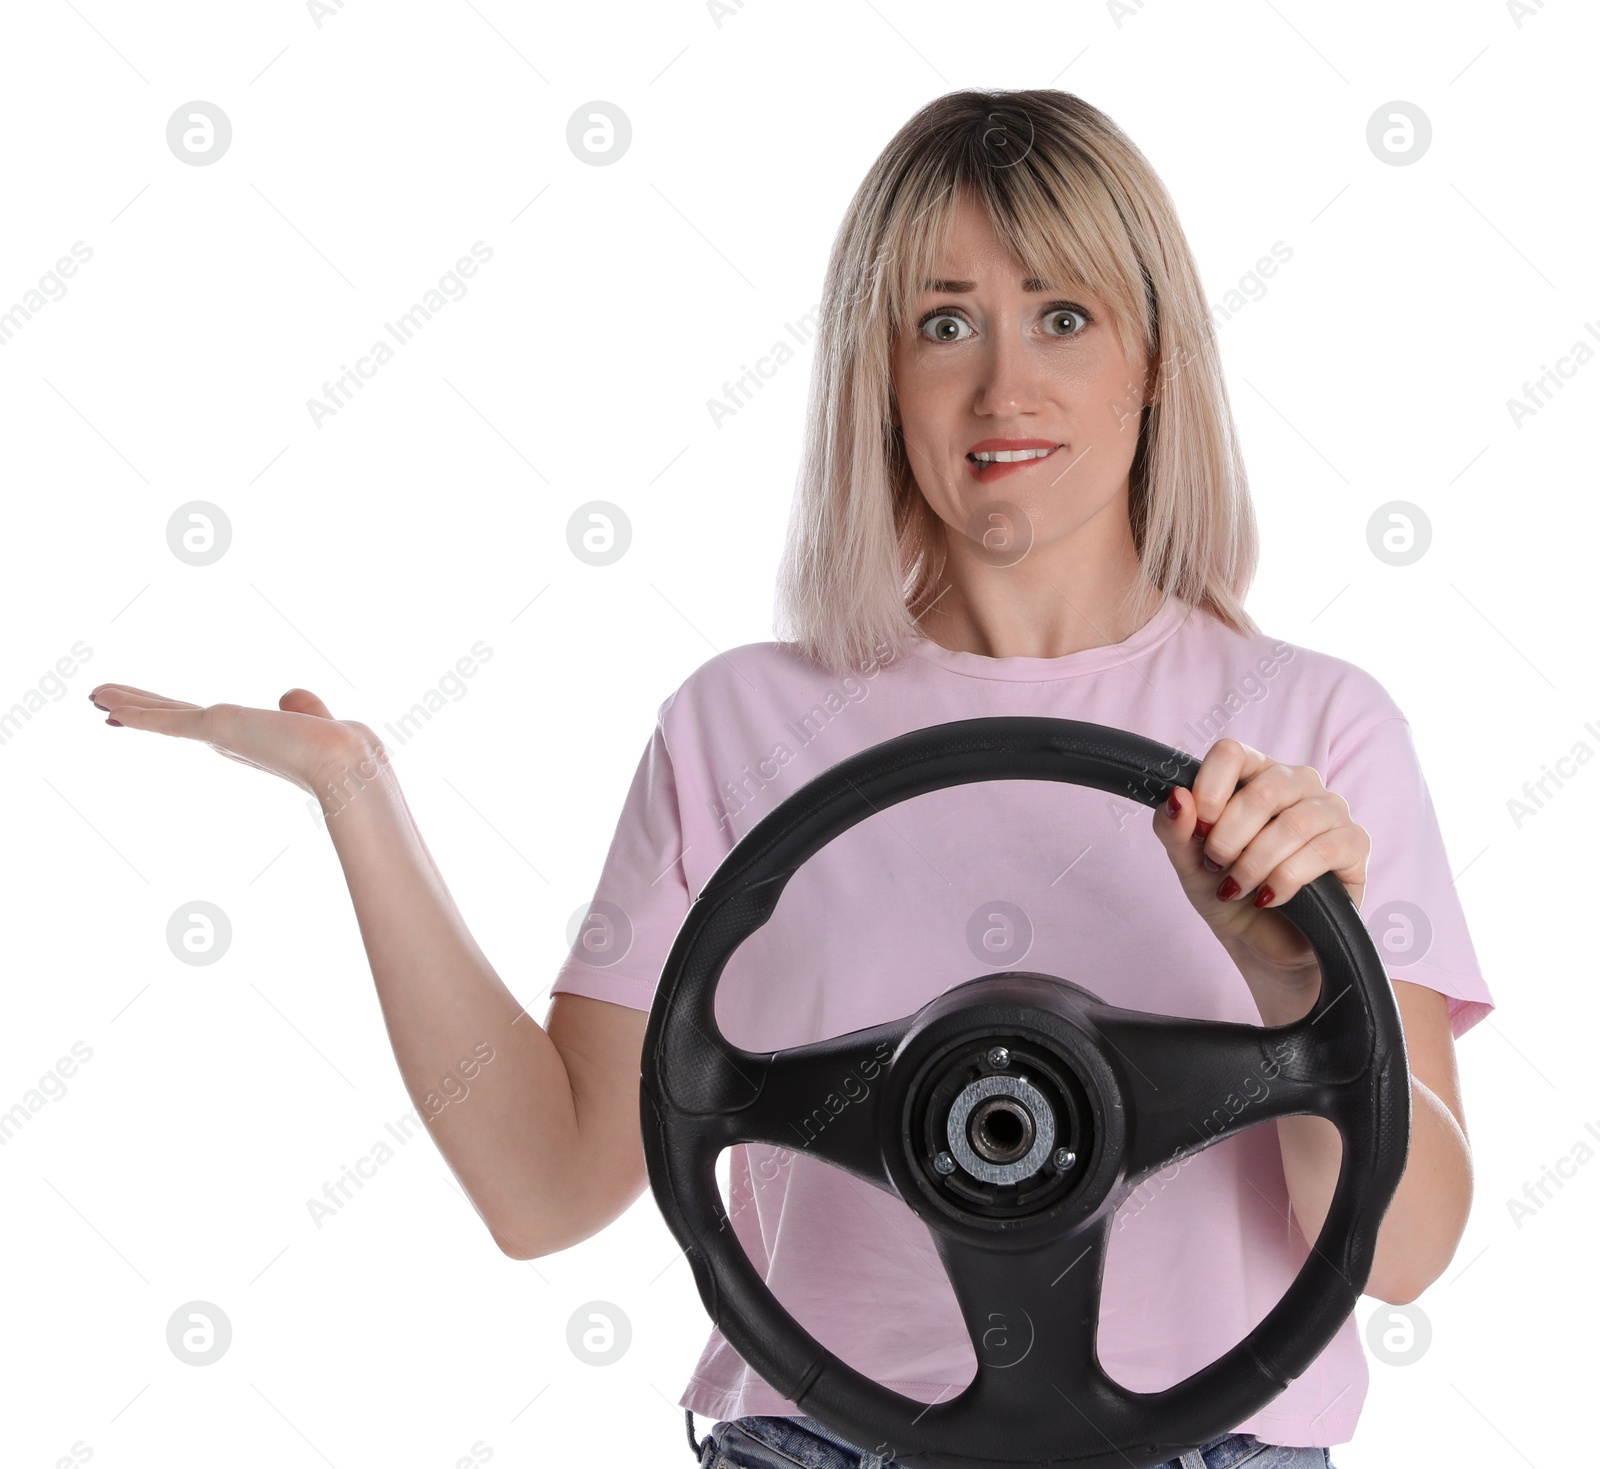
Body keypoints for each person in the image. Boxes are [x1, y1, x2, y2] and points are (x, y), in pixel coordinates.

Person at [88, 88, 1492, 1469]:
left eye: (1064, 315)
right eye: (945, 323)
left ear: (1158, 359)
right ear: (878, 375)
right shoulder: (739, 725)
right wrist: (358, 796)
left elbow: (1408, 1252)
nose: (1004, 387)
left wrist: (1296, 974)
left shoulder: (1312, 728)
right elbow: (545, 1184)